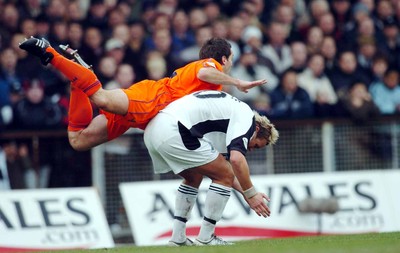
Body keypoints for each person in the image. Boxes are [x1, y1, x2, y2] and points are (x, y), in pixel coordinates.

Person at [19, 36, 267, 151]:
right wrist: (237, 82)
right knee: (101, 97)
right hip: (152, 99)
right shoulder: (209, 66)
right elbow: (205, 74)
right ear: (223, 58)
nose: (231, 63)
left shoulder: (212, 82)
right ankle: (50, 52)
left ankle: (78, 79)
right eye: (231, 60)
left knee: (78, 140)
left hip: (144, 118)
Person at [144, 90, 279, 246]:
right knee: (224, 174)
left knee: (194, 176)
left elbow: (223, 170)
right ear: (256, 129)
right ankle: (206, 237)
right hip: (174, 128)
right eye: (255, 145)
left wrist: (248, 194)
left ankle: (177, 238)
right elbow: (235, 161)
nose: (249, 149)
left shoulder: (228, 121)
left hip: (154, 129)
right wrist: (251, 193)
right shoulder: (247, 118)